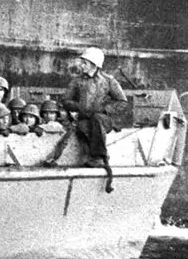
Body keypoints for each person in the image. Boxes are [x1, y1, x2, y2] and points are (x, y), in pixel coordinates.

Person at [49, 46, 134, 191]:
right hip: (84, 119)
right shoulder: (77, 81)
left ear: (94, 64)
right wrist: (80, 107)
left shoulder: (108, 81)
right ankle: (91, 158)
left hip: (103, 119)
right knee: (83, 127)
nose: (81, 65)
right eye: (82, 62)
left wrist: (104, 109)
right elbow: (66, 101)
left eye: (85, 63)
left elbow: (122, 102)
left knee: (97, 119)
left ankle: (98, 157)